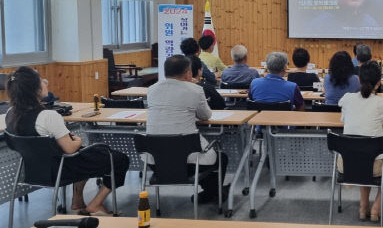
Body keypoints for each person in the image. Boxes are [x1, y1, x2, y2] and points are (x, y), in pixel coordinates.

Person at [3, 67, 129, 216]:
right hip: (60, 171)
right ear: (34, 89)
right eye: (41, 80)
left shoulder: (10, 114)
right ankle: (95, 204)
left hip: (32, 172)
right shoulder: (48, 116)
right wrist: (78, 140)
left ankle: (77, 202)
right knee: (119, 159)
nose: (46, 82)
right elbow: (70, 149)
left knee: (87, 153)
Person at [146, 55, 228, 203]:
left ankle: (212, 192)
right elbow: (205, 115)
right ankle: (213, 193)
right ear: (188, 73)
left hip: (155, 161)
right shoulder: (195, 90)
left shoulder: (152, 89)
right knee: (221, 158)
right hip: (187, 162)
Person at [338, 61, 383, 222]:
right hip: (374, 165)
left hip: (346, 164)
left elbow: (344, 119)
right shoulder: (382, 104)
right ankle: (377, 207)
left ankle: (363, 207)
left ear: (359, 80)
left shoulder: (346, 99)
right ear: (378, 83)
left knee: (362, 154)